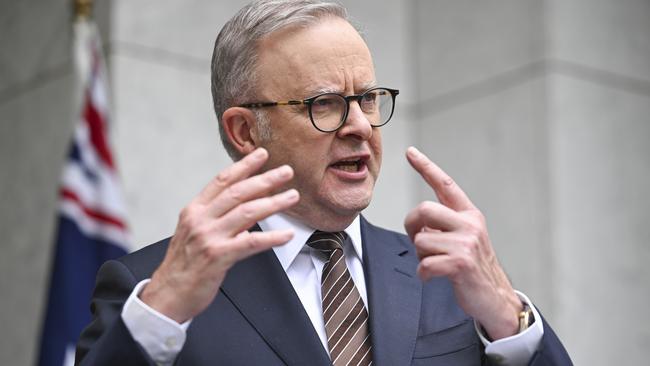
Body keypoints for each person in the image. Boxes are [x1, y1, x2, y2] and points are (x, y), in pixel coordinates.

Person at [75, 1, 572, 365]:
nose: (360, 124)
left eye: (369, 98)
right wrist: (162, 311)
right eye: (326, 104)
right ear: (245, 131)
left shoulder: (448, 278)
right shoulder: (157, 291)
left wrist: (510, 319)